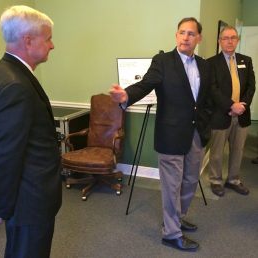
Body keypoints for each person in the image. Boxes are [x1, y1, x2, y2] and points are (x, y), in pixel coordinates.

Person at [109, 17, 212, 252]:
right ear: (176, 36)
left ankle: (177, 217)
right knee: (172, 185)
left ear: (199, 38)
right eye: (181, 32)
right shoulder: (163, 61)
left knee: (189, 181)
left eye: (191, 33)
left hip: (196, 134)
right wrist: (126, 96)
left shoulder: (204, 66)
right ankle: (171, 233)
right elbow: (146, 84)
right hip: (171, 134)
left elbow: (207, 97)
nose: (185, 37)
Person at [0, 5, 62, 258]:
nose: (52, 45)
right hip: (30, 200)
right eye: (48, 38)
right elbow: (4, 153)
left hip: (24, 196)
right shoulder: (15, 84)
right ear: (28, 40)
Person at [208, 25, 256, 197]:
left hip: (242, 115)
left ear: (238, 40)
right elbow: (212, 89)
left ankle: (233, 179)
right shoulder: (211, 63)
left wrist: (242, 106)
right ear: (220, 41)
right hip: (221, 114)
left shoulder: (246, 60)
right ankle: (215, 180)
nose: (229, 41)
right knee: (217, 151)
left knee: (238, 150)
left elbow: (251, 86)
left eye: (233, 37)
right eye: (226, 38)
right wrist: (231, 106)